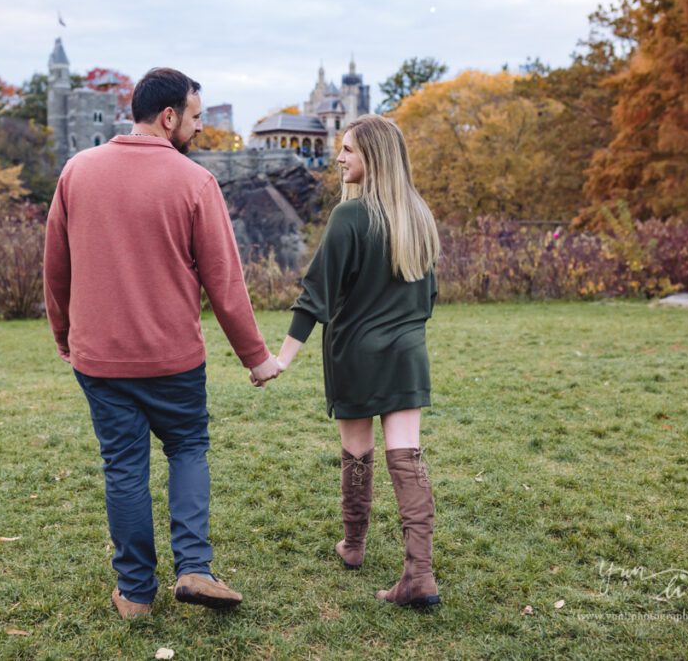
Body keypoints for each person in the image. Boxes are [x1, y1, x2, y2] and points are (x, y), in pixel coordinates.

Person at [43, 67, 282, 619]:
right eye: (196, 117)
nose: (200, 129)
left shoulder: (76, 172)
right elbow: (224, 281)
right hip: (173, 359)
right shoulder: (194, 182)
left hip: (99, 359)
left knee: (124, 467)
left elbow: (56, 270)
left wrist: (65, 338)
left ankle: (134, 594)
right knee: (188, 448)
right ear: (169, 116)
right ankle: (194, 567)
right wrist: (257, 358)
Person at [275, 114, 442, 608]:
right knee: (407, 459)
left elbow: (315, 295)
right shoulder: (419, 215)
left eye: (348, 149)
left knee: (357, 454)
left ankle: (354, 545)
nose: (339, 157)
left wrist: (281, 359)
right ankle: (421, 574)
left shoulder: (350, 217)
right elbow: (428, 298)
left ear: (375, 156)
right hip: (408, 354)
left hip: (354, 353)